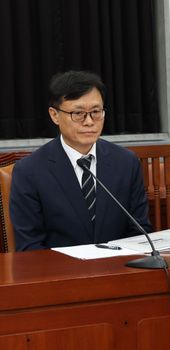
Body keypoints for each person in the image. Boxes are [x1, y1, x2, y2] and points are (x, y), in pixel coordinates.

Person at [10, 70, 151, 251]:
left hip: (118, 265)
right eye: (78, 113)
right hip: (60, 268)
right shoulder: (29, 171)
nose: (89, 122)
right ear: (54, 115)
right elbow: (30, 246)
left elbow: (140, 232)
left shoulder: (126, 162)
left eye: (96, 112)